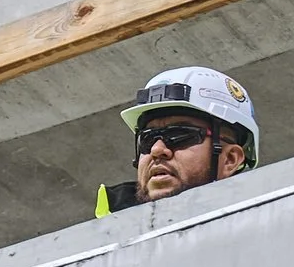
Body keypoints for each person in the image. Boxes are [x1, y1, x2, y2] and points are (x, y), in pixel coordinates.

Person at [99, 66, 261, 214]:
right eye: (147, 138)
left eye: (180, 135)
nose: (156, 149)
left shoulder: (264, 234)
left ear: (229, 160)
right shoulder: (103, 237)